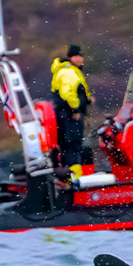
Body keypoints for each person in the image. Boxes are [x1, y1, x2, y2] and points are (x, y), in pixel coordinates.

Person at [49, 44, 91, 172]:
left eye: (80, 56)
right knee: (72, 146)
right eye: (75, 56)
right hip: (69, 115)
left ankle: (68, 174)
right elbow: (68, 93)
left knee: (68, 145)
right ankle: (74, 178)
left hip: (64, 114)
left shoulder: (69, 71)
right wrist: (75, 109)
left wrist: (87, 99)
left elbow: (78, 91)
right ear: (70, 57)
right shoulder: (69, 72)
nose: (79, 59)